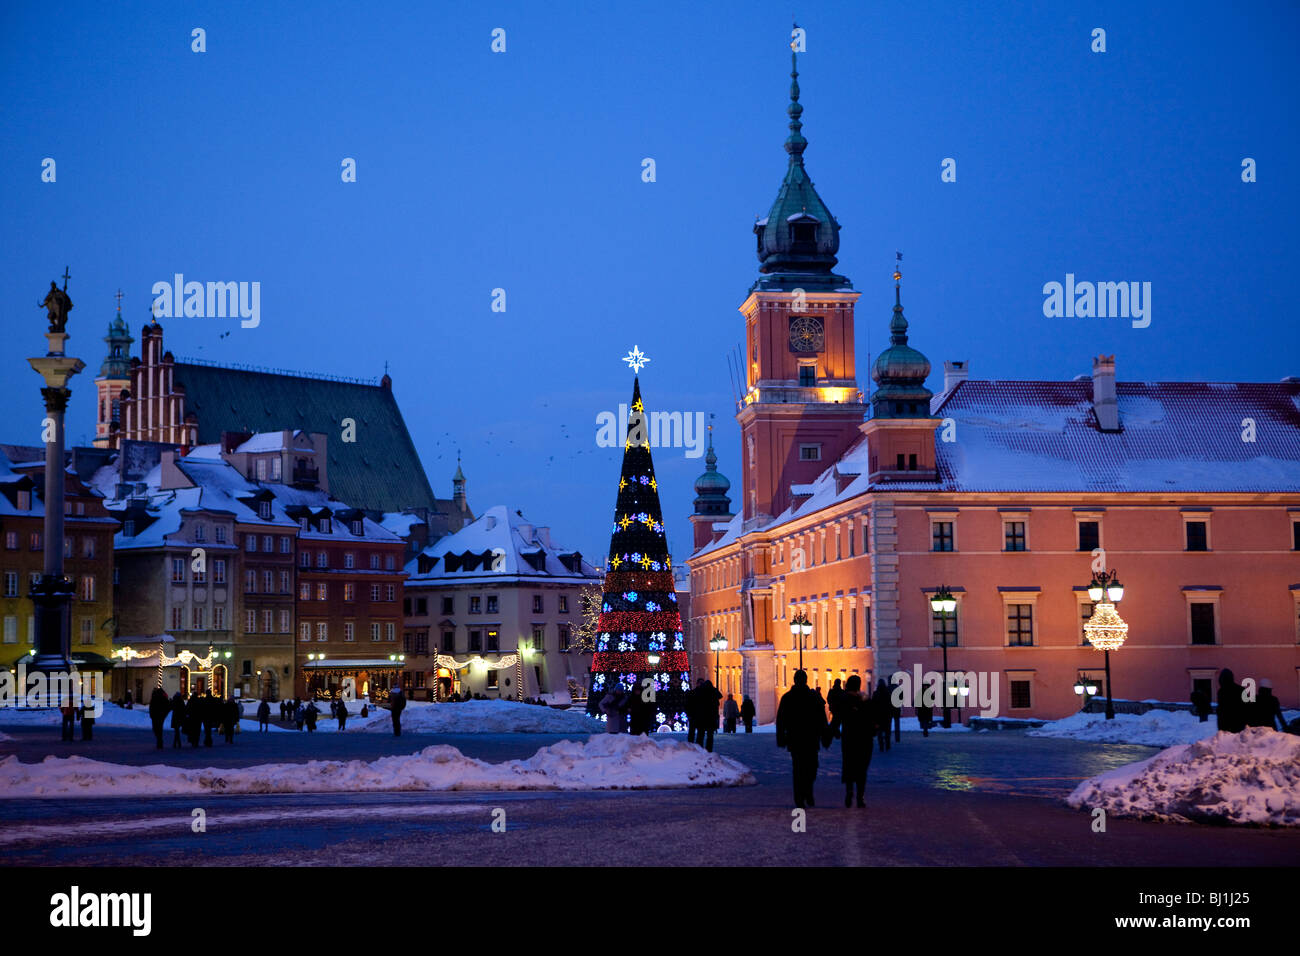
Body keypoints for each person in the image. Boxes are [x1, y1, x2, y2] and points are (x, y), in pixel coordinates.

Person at [775, 670, 831, 809]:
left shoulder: (788, 698)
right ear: (805, 680)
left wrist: (781, 737)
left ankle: (801, 795)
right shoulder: (812, 697)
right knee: (810, 767)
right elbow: (822, 719)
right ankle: (806, 793)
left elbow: (781, 720)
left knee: (799, 768)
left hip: (796, 739)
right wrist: (825, 736)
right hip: (810, 739)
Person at [829, 675, 874, 807]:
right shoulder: (865, 700)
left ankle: (849, 791)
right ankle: (860, 797)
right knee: (862, 768)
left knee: (849, 765)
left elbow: (836, 719)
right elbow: (872, 719)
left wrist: (835, 732)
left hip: (849, 738)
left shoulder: (844, 700)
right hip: (865, 739)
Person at [1216, 668, 1246, 733]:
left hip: (1226, 726)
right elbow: (1246, 708)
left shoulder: (1221, 691)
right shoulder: (1241, 690)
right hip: (1238, 725)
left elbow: (1221, 708)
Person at [697, 680, 722, 752]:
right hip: (712, 716)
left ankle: (699, 748)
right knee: (710, 734)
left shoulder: (701, 691)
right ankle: (709, 749)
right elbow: (720, 696)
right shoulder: (713, 691)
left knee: (701, 734)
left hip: (703, 716)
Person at [873, 679, 893, 752]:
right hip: (887, 715)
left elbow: (873, 705)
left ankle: (881, 746)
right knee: (887, 731)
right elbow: (891, 705)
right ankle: (887, 745)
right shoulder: (888, 693)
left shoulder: (875, 693)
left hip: (878, 716)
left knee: (879, 732)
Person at [686, 678, 704, 745]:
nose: (702, 685)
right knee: (694, 732)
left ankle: (695, 746)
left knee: (699, 733)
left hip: (699, 716)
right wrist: (689, 714)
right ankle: (693, 746)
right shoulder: (693, 693)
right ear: (697, 684)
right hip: (694, 716)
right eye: (700, 683)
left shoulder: (704, 694)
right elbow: (687, 704)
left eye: (703, 683)